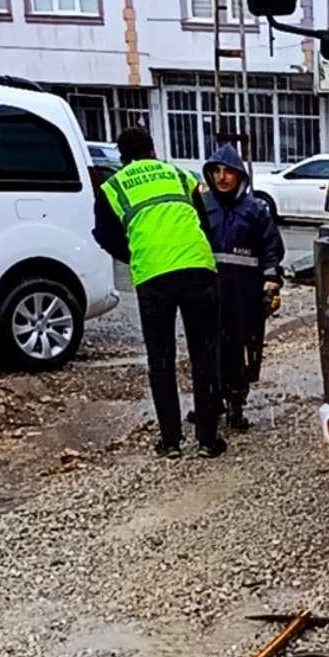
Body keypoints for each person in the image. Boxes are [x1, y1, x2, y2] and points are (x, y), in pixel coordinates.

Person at [92, 126, 226, 460]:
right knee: (204, 354)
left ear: (122, 158)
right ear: (153, 150)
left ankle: (171, 441)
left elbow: (105, 235)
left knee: (162, 358)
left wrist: (137, 254)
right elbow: (203, 225)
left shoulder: (113, 186)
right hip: (197, 268)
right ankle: (208, 440)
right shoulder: (180, 176)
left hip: (154, 276)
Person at [200, 143, 285, 431]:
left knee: (241, 350)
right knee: (208, 349)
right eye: (217, 171)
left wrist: (271, 284)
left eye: (228, 172)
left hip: (244, 295)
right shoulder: (202, 207)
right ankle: (210, 403)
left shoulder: (255, 210)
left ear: (239, 175)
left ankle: (237, 405)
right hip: (209, 293)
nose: (222, 177)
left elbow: (271, 250)